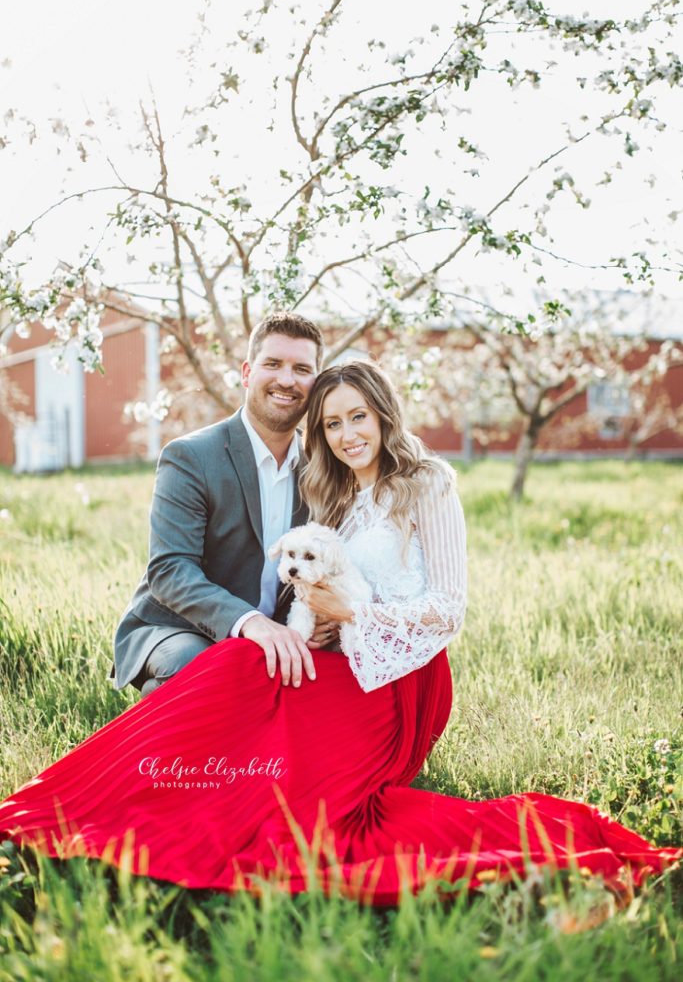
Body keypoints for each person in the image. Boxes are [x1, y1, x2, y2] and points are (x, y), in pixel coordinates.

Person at [0, 361, 679, 907]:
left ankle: (139, 815)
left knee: (323, 819)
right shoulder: (338, 501)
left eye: (358, 416)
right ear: (319, 436)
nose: (349, 432)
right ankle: (71, 808)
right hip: (340, 661)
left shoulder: (427, 485)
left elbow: (448, 608)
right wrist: (317, 623)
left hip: (399, 682)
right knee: (237, 664)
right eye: (332, 424)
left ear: (382, 413)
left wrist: (352, 616)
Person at [111, 311, 329, 698]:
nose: (286, 380)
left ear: (316, 383)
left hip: (279, 630)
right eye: (273, 364)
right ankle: (168, 756)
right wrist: (249, 622)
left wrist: (320, 619)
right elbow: (170, 569)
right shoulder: (191, 456)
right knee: (199, 667)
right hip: (180, 628)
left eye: (301, 369)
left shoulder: (322, 467)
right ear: (247, 373)